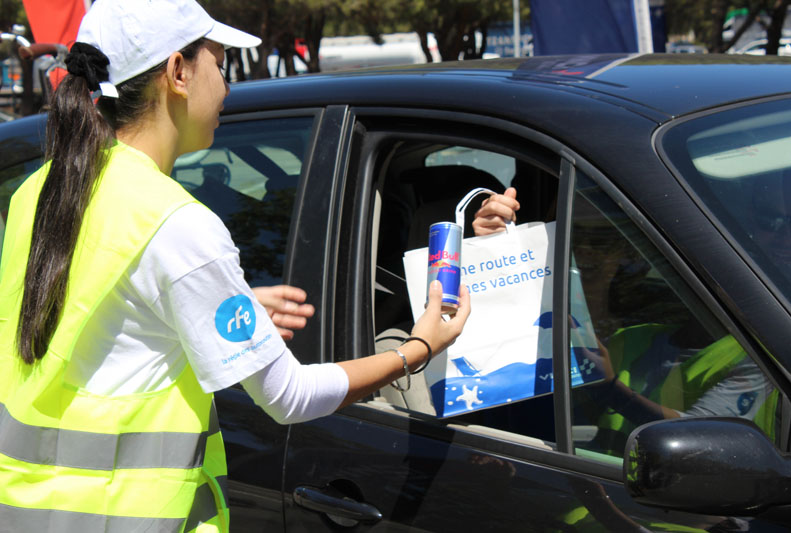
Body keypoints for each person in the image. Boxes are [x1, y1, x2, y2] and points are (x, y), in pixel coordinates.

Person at [0, 1, 469, 531]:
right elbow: (289, 398)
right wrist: (418, 348)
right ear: (178, 73)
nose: (227, 87)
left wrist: (208, 306)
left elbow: (97, 329)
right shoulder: (175, 224)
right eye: (220, 65)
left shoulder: (38, 192)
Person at [474, 187, 776, 453]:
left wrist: (610, 388)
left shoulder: (664, 321)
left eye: (602, 240)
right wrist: (497, 258)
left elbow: (706, 441)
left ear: (628, 250)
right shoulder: (636, 337)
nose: (584, 251)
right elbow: (545, 412)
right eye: (573, 236)